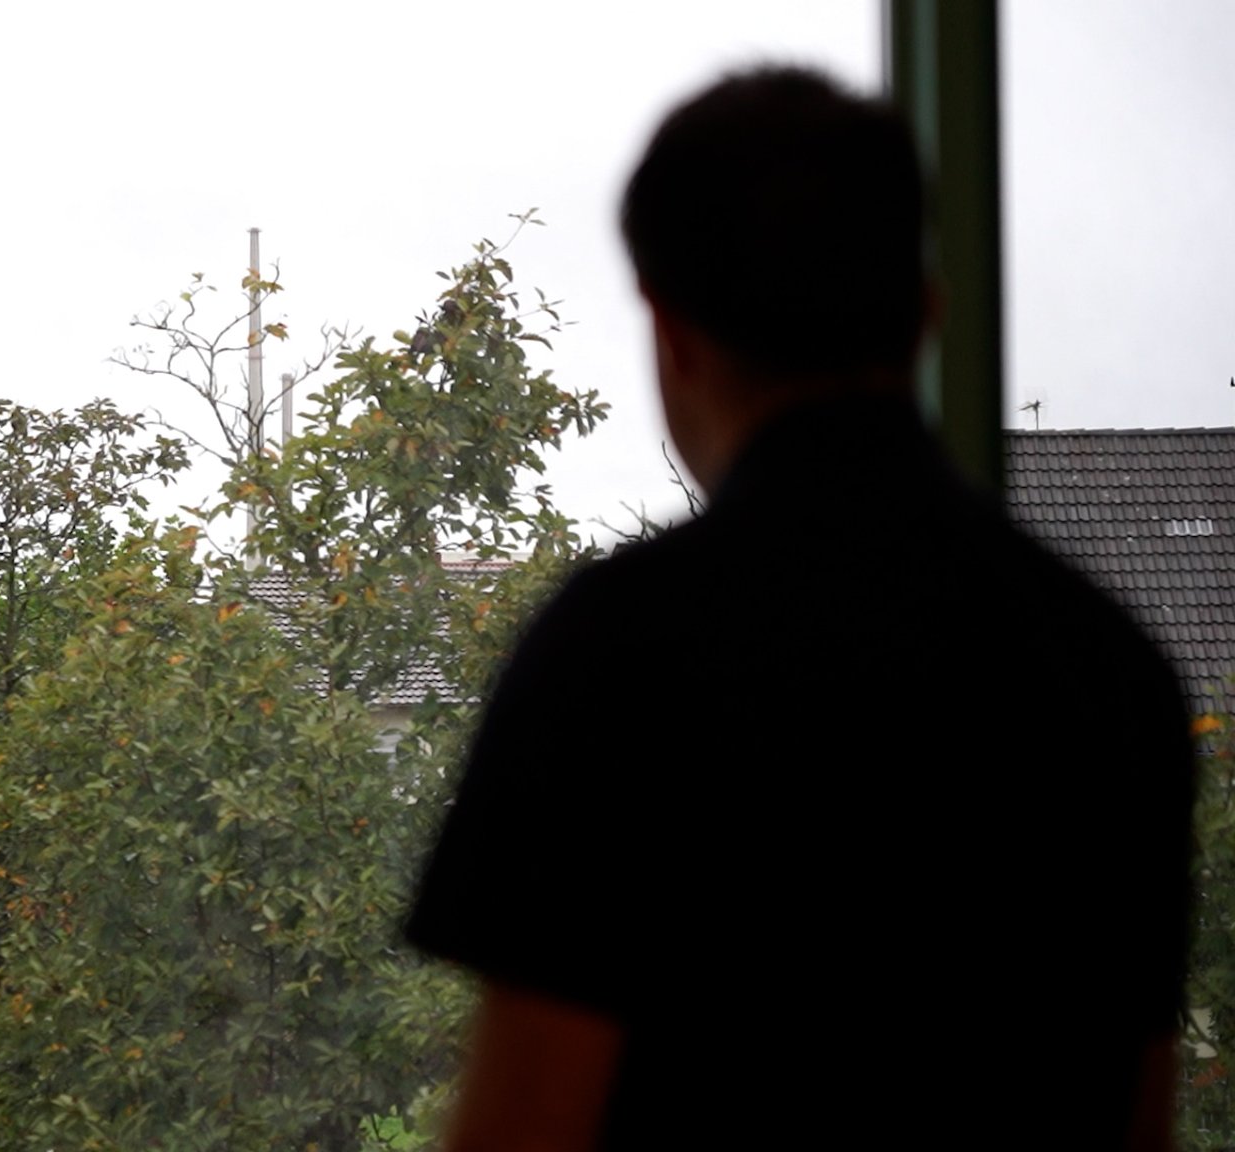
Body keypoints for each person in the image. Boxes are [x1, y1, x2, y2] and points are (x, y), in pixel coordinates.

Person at [404, 66, 1195, 1150]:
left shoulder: (615, 655)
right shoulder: (1114, 673)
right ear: (924, 313)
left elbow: (522, 1127)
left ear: (668, 332)